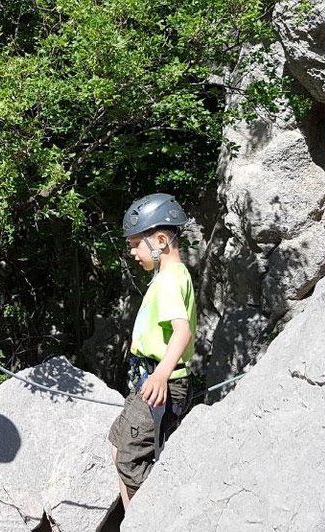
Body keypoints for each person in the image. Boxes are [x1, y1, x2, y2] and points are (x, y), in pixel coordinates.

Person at [108, 193, 196, 509]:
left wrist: (160, 375)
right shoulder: (168, 275)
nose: (132, 252)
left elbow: (182, 331)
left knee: (131, 458)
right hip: (152, 379)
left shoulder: (171, 279)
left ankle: (159, 514)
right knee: (119, 443)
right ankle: (133, 519)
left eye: (135, 244)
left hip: (164, 381)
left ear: (160, 240)